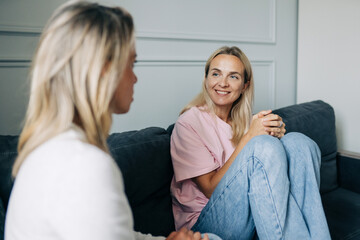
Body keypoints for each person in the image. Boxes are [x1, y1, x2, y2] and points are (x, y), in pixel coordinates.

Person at [4, 2, 214, 240]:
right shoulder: (83, 164)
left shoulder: (49, 150)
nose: (135, 78)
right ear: (105, 69)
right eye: (131, 64)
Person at [170, 46, 331, 239]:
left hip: (250, 212)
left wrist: (276, 135)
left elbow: (264, 177)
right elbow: (211, 189)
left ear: (245, 85)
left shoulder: (245, 122)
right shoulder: (188, 123)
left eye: (233, 77)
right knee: (262, 146)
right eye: (216, 74)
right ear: (206, 80)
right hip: (204, 224)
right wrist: (251, 138)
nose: (222, 83)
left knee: (298, 143)